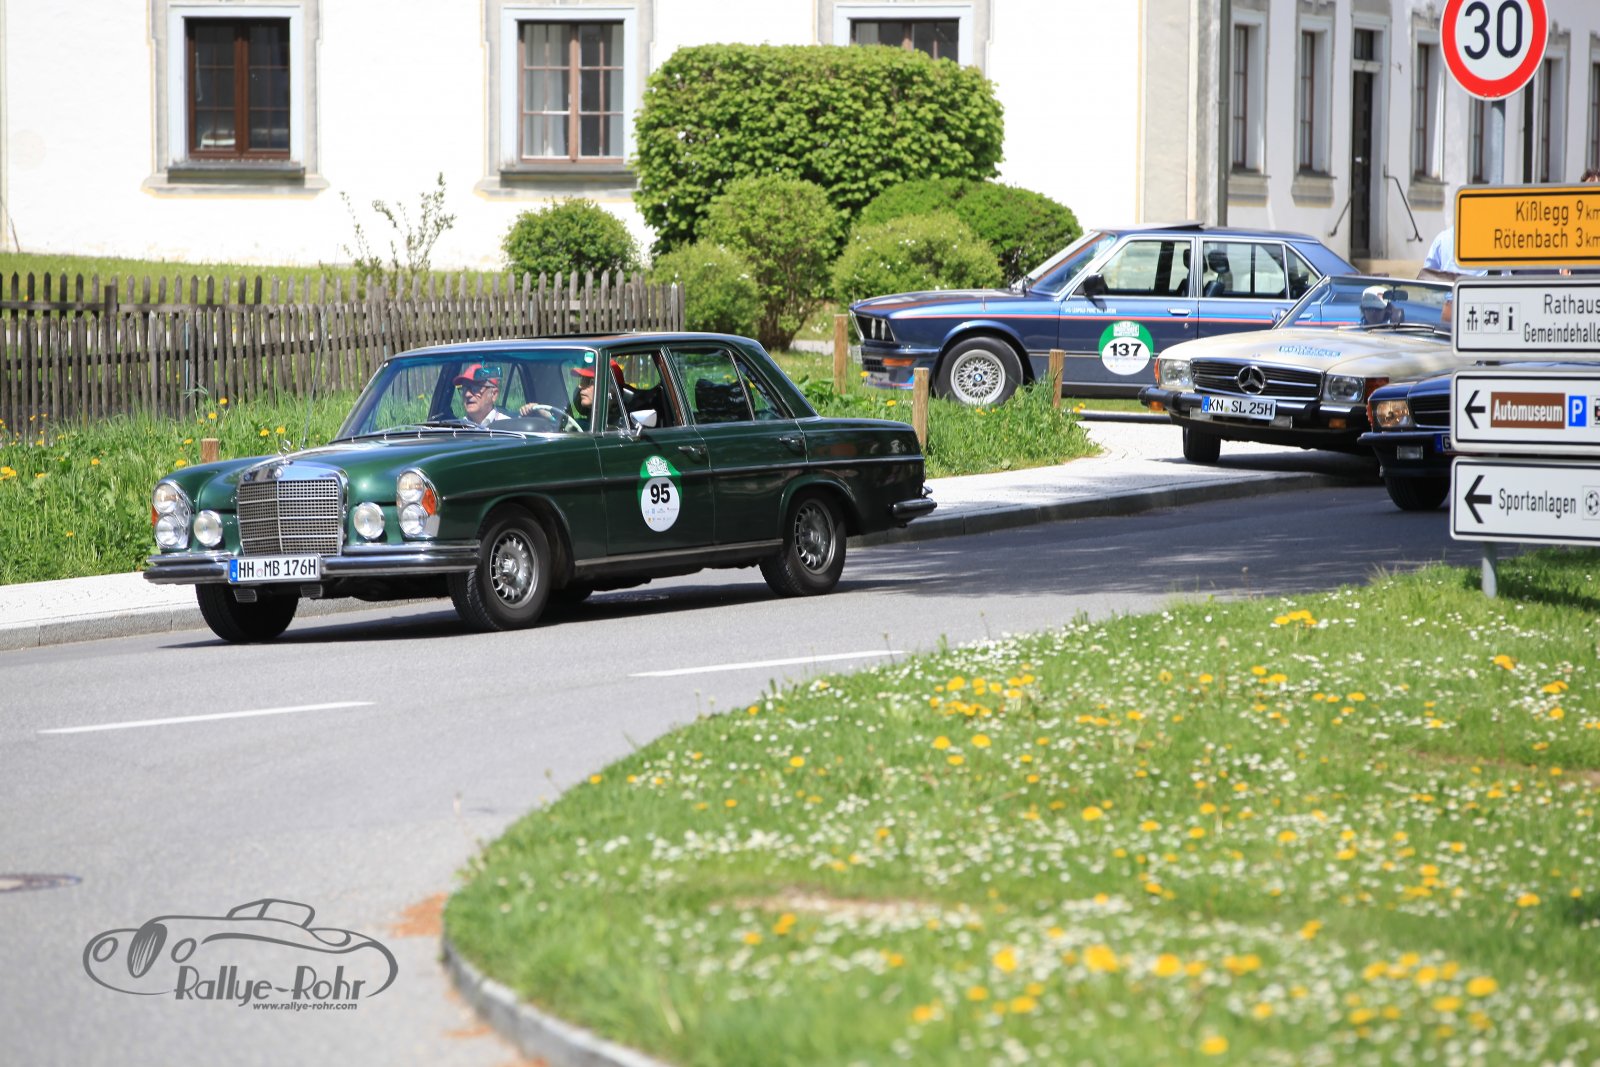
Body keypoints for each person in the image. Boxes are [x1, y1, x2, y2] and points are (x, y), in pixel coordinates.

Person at [1418, 226, 1487, 282]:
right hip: (1449, 294)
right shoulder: (1442, 239)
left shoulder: (1443, 238)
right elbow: (1427, 277)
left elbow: (1426, 278)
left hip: (1480, 293)